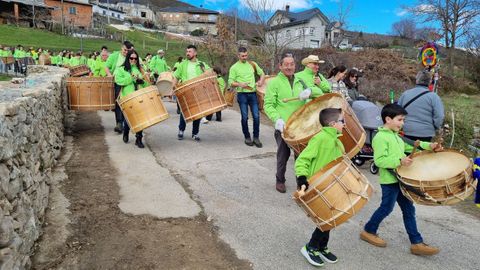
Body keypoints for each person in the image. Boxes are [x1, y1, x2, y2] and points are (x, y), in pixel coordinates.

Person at [360, 103, 443, 256]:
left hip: (401, 180)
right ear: (388, 119)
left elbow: (412, 145)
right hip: (389, 181)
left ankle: (416, 243)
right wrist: (400, 160)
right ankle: (368, 230)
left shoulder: (396, 137)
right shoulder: (380, 137)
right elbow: (379, 160)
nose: (402, 123)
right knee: (387, 208)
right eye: (400, 120)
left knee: (408, 210)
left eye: (403, 120)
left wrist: (430, 146)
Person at [295, 108, 344, 267]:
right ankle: (311, 247)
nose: (344, 124)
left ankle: (322, 247)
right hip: (319, 184)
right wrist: (302, 177)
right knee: (325, 219)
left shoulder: (337, 140)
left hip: (331, 185)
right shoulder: (320, 138)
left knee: (330, 217)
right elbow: (303, 159)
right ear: (333, 123)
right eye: (342, 121)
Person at [264, 53, 313, 193]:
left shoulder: (301, 80)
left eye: (292, 64)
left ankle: (301, 182)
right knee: (283, 155)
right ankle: (280, 180)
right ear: (280, 66)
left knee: (302, 156)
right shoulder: (274, 83)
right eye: (286, 64)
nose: (289, 67)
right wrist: (277, 119)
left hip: (301, 126)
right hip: (283, 126)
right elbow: (268, 105)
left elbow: (310, 101)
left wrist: (309, 94)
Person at [228, 47, 265, 147]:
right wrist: (240, 84)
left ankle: (256, 137)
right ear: (238, 56)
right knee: (245, 117)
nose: (245, 57)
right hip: (242, 95)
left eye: (246, 55)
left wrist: (261, 81)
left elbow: (262, 74)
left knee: (256, 116)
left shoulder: (252, 64)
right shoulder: (234, 67)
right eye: (242, 56)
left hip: (253, 94)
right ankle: (247, 137)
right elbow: (230, 82)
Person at [172, 44, 210, 142]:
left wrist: (205, 70)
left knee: (197, 113)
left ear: (195, 53)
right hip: (186, 91)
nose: (187, 53)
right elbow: (176, 77)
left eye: (190, 51)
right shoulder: (183, 64)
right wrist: (172, 88)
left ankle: (195, 133)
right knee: (184, 112)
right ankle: (181, 130)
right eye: (187, 51)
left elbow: (209, 74)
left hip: (198, 92)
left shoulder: (201, 64)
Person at [113, 50, 149, 148]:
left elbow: (147, 84)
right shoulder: (121, 69)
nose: (133, 60)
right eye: (131, 58)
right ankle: (126, 132)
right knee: (128, 120)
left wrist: (142, 82)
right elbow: (118, 81)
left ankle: (139, 139)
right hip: (127, 98)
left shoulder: (140, 69)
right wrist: (131, 79)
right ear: (128, 58)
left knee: (140, 119)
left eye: (135, 58)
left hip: (139, 97)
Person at [397, 70, 445, 142]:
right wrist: (436, 127)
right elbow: (439, 115)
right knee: (423, 152)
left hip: (407, 130)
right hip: (426, 132)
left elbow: (397, 111)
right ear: (429, 82)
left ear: (417, 80)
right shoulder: (434, 97)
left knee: (408, 151)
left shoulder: (405, 94)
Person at [105, 40, 134, 133]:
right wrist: (109, 75)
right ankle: (119, 123)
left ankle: (129, 122)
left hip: (129, 81)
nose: (126, 52)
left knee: (129, 102)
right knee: (118, 101)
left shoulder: (131, 56)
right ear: (121, 48)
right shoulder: (114, 56)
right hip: (118, 81)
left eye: (128, 51)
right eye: (125, 50)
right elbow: (106, 66)